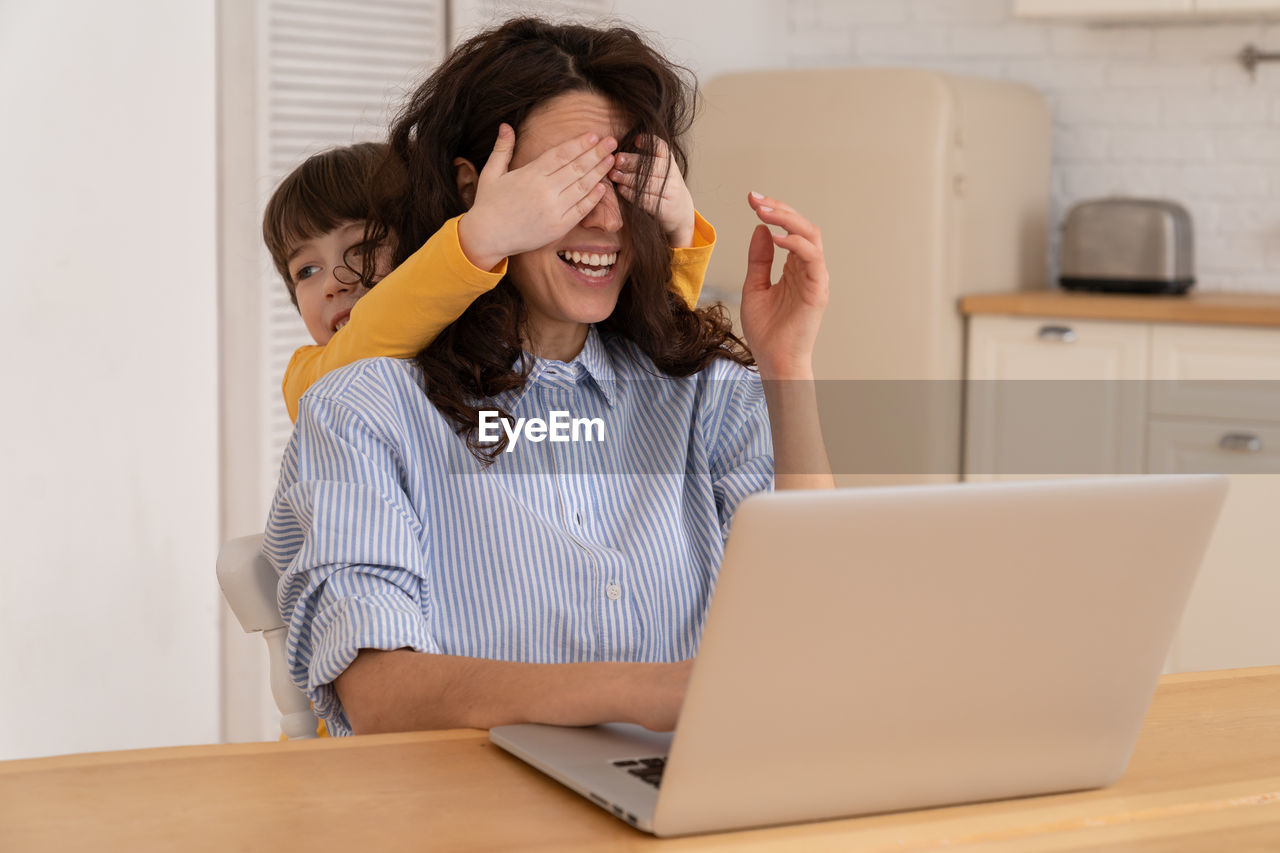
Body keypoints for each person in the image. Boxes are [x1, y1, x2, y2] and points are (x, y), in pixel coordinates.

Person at [263, 17, 833, 737]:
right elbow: (377, 694)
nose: (603, 216)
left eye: (624, 180)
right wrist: (643, 692)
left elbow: (818, 614)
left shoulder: (701, 392)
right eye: (568, 181)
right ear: (477, 191)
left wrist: (787, 366)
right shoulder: (364, 407)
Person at [262, 132, 715, 422]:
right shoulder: (310, 376)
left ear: (422, 244)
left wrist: (678, 232)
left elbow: (647, 339)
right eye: (305, 270)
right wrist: (477, 241)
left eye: (361, 249)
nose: (333, 284)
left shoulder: (481, 332)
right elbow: (367, 346)